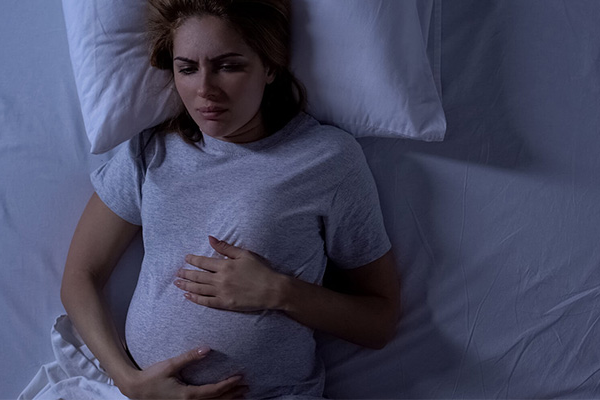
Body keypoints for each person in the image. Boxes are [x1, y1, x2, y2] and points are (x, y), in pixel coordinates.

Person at [60, 0, 401, 398]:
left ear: (270, 67)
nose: (205, 89)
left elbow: (380, 321)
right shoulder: (151, 152)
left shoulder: (327, 159)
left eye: (228, 66)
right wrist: (129, 381)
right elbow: (80, 276)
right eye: (187, 68)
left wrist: (280, 292)